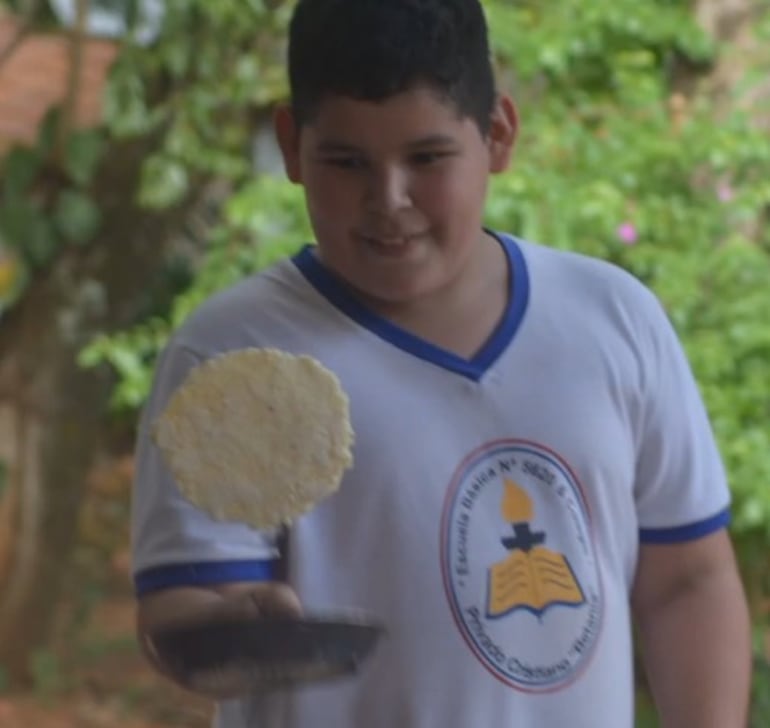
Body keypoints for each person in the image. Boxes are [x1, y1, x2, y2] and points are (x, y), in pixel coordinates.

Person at [131, 0, 752, 726]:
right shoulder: (233, 358)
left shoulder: (613, 320)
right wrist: (222, 625)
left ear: (497, 135)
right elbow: (176, 607)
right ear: (292, 146)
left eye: (426, 158)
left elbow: (688, 580)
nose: (388, 200)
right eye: (347, 162)